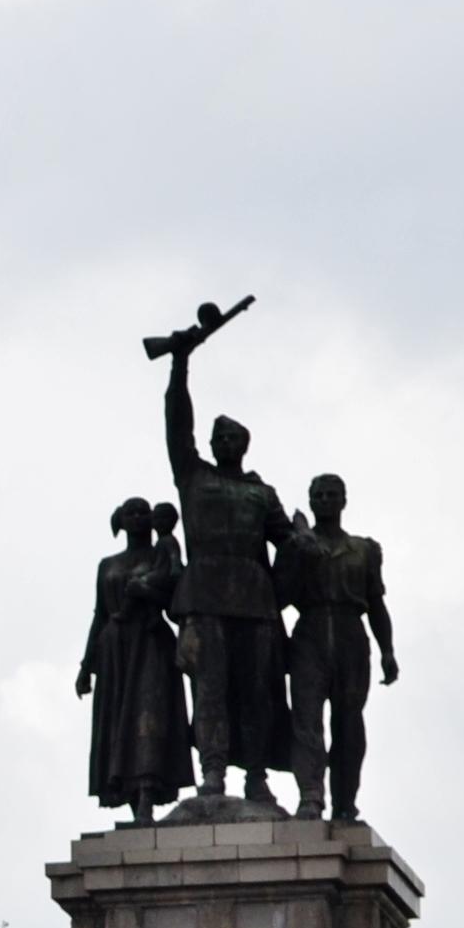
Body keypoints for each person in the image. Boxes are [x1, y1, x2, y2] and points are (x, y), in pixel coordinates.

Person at [158, 318, 293, 809]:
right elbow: (177, 423)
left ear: (244, 445)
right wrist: (180, 362)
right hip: (206, 595)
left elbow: (290, 543)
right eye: (220, 438)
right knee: (210, 691)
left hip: (256, 602)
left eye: (234, 438)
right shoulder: (194, 478)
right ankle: (212, 771)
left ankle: (256, 775)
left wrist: (293, 564)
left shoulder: (261, 492)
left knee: (258, 693)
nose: (225, 444)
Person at [279, 472, 397, 823]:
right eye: (320, 495)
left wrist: (387, 649)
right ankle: (311, 797)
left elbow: (376, 604)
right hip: (309, 633)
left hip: (351, 635)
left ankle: (345, 801)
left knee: (349, 722)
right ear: (311, 501)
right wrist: (297, 552)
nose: (326, 501)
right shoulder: (297, 545)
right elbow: (279, 595)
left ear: (344, 500)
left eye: (333, 495)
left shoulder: (363, 549)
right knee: (306, 721)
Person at [76, 496, 193, 823]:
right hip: (115, 649)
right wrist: (87, 667)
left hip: (151, 641)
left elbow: (176, 596)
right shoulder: (108, 565)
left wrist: (148, 594)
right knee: (118, 723)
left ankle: (146, 797)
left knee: (149, 716)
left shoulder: (163, 553)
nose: (139, 517)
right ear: (121, 520)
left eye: (144, 512)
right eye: (132, 512)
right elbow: (100, 615)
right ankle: (130, 798)